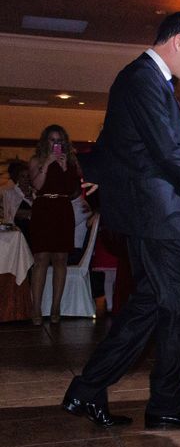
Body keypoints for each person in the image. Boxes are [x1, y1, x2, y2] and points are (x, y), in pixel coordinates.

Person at [62, 12, 180, 430]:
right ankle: (166, 403)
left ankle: (87, 389)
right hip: (152, 213)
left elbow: (117, 140)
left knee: (150, 304)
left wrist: (99, 176)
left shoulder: (143, 80)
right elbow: (167, 148)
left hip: (147, 210)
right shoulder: (142, 78)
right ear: (178, 43)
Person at [29, 125, 81, 325]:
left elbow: (71, 189)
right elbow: (37, 185)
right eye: (52, 140)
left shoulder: (70, 161)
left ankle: (56, 307)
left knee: (60, 259)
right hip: (43, 209)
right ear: (46, 141)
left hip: (62, 208)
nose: (56, 144)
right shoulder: (36, 160)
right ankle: (36, 309)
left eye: (59, 140)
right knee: (41, 258)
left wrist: (65, 167)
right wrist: (47, 164)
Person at [2, 160, 33, 241]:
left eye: (28, 176)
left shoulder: (35, 193)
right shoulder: (10, 193)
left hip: (34, 232)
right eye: (23, 176)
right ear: (17, 178)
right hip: (18, 233)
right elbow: (12, 214)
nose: (26, 179)